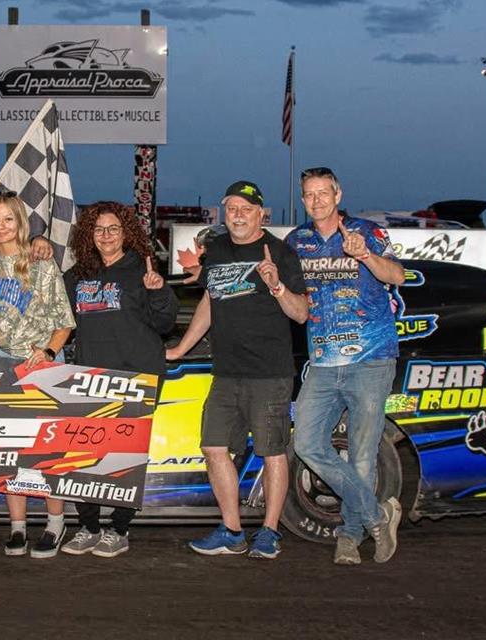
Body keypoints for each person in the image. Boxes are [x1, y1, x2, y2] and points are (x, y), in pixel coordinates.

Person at [166, 180, 308, 559]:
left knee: (272, 451)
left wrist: (277, 286)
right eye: (232, 208)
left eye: (247, 208)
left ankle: (270, 531)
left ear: (262, 214)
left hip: (270, 373)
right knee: (213, 448)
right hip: (226, 372)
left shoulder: (280, 253)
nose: (239, 214)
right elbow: (211, 302)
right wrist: (182, 346)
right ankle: (231, 529)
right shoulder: (216, 251)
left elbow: (301, 312)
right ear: (223, 212)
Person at [287, 166, 405, 565]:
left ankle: (349, 537)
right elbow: (294, 304)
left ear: (338, 194)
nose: (316, 200)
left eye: (323, 192)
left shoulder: (365, 232)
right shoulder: (297, 241)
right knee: (305, 444)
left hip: (370, 361)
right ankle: (378, 514)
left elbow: (399, 276)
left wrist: (365, 255)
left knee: (360, 456)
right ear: (303, 199)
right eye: (309, 194)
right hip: (322, 364)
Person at [60, 201, 179, 558]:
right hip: (88, 377)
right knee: (84, 458)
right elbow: (60, 323)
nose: (106, 236)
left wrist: (158, 290)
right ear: (88, 235)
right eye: (98, 230)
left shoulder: (140, 271)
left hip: (136, 376)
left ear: (126, 233)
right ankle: (88, 527)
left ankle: (119, 529)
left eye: (113, 229)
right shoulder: (77, 274)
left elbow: (165, 324)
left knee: (123, 459)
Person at [0, 192, 76, 559]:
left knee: (48, 449)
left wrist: (48, 351)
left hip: (42, 359)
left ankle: (55, 522)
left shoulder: (41, 263)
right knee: (10, 448)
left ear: (21, 222)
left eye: (8, 219)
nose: (1, 227)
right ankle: (17, 527)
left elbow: (64, 322)